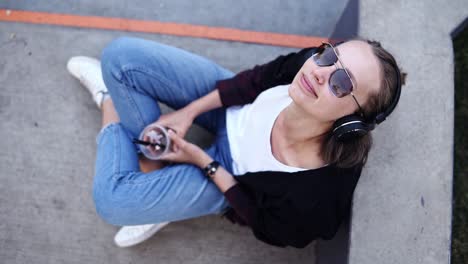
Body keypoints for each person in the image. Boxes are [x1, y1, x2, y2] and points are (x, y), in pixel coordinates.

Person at [67, 36, 402, 248]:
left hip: (230, 173)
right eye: (329, 56)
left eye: (342, 83)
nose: (320, 71)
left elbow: (267, 224)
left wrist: (201, 160)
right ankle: (158, 175)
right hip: (233, 110)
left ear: (353, 122)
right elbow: (255, 80)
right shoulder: (309, 68)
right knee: (121, 57)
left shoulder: (316, 197)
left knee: (112, 201)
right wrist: (188, 113)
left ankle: (109, 101)